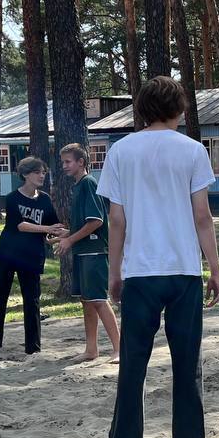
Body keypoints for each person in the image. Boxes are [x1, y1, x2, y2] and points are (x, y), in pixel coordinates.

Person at [90, 76, 219, 438]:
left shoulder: (121, 151)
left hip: (141, 272)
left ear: (143, 109)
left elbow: (116, 219)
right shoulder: (193, 150)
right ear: (178, 108)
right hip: (183, 270)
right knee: (187, 361)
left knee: (133, 364)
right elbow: (202, 216)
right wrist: (214, 268)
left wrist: (115, 272)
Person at [0, 157, 63, 355]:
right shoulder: (12, 198)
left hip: (31, 256)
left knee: (32, 301)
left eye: (43, 172)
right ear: (25, 174)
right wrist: (47, 229)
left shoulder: (45, 199)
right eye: (37, 172)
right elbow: (20, 225)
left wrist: (66, 234)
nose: (42, 176)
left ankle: (33, 348)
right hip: (7, 255)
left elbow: (53, 227)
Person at [55, 142, 122, 362]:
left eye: (68, 162)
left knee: (99, 300)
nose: (64, 166)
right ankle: (91, 349)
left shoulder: (88, 183)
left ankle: (119, 349)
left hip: (94, 252)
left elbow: (96, 221)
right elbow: (85, 223)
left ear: (81, 162)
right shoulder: (78, 186)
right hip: (83, 252)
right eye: (63, 162)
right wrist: (67, 233)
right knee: (87, 300)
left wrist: (70, 240)